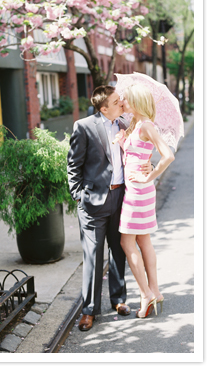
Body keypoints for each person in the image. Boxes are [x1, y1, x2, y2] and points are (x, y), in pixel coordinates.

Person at [67, 85, 151, 332]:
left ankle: (119, 300)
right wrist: (79, 196)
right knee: (93, 257)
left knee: (119, 250)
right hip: (93, 201)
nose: (122, 103)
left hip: (122, 197)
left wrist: (148, 166)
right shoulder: (84, 126)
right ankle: (89, 310)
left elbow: (137, 153)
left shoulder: (125, 124)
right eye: (117, 101)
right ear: (104, 108)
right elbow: (73, 165)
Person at [116, 84, 174, 318]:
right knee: (144, 240)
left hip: (138, 191)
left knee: (127, 243)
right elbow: (134, 154)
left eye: (127, 100)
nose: (123, 103)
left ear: (137, 102)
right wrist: (123, 142)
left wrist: (150, 175)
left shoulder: (147, 125)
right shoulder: (136, 125)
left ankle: (146, 293)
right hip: (138, 189)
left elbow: (168, 155)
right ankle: (154, 292)